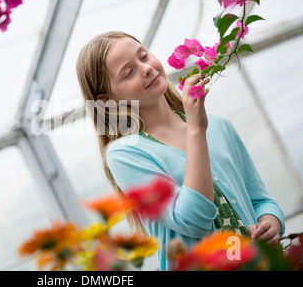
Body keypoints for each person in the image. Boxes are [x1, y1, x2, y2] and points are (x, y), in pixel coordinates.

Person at [76, 31, 285, 271]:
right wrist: (196, 130)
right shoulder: (125, 154)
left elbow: (261, 200)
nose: (145, 68)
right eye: (128, 72)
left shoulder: (218, 125)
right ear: (107, 102)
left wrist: (270, 223)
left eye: (143, 56)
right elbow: (192, 219)